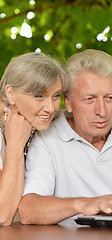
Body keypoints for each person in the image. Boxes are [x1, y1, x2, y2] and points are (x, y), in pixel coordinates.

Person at [19, 49, 112, 225]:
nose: (102, 111)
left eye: (109, 98)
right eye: (89, 99)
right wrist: (87, 203)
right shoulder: (48, 139)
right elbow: (28, 210)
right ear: (67, 102)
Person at [0, 51, 67, 226]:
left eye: (56, 96)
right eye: (39, 95)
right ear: (11, 94)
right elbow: (2, 215)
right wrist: (15, 144)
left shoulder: (56, 123)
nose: (50, 108)